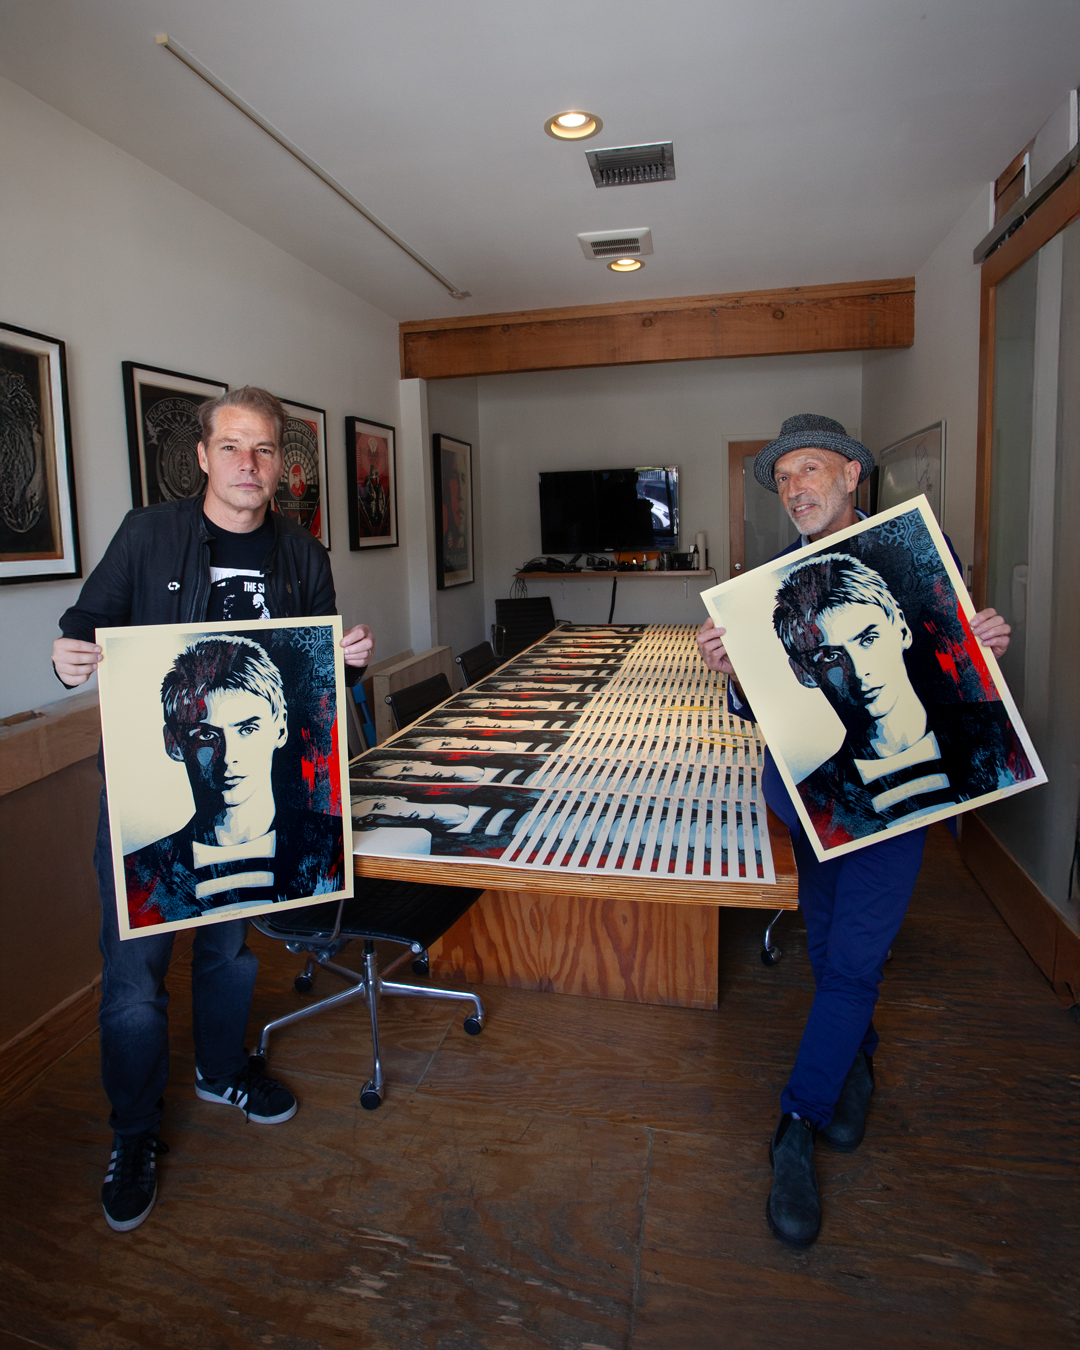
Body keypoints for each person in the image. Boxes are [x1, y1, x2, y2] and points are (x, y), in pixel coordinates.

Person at [52, 386, 375, 1233]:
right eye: (232, 447)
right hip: (149, 804)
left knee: (230, 953)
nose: (247, 465)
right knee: (133, 985)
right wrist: (67, 655)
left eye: (263, 450)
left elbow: (313, 690)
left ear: (281, 465)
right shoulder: (147, 535)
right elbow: (86, 623)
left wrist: (350, 663)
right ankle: (133, 1133)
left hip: (254, 810)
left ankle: (222, 1069)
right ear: (202, 456)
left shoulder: (303, 554)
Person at [696, 413, 1010, 1249]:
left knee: (854, 959)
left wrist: (982, 645)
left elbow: (959, 673)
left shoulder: (909, 564)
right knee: (833, 945)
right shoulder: (768, 586)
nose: (795, 487)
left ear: (849, 475)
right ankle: (858, 1059)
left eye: (809, 470)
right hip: (813, 798)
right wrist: (730, 677)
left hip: (900, 808)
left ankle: (796, 1123)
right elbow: (764, 713)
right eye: (783, 478)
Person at [772, 553, 1033, 846]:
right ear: (804, 673)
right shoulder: (820, 798)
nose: (859, 671)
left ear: (901, 628)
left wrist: (984, 651)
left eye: (867, 640)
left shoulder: (994, 738)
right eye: (831, 656)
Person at [124, 635, 344, 926]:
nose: (229, 757)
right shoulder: (144, 872)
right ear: (174, 743)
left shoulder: (331, 842)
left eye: (248, 729)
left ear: (280, 727)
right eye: (205, 735)